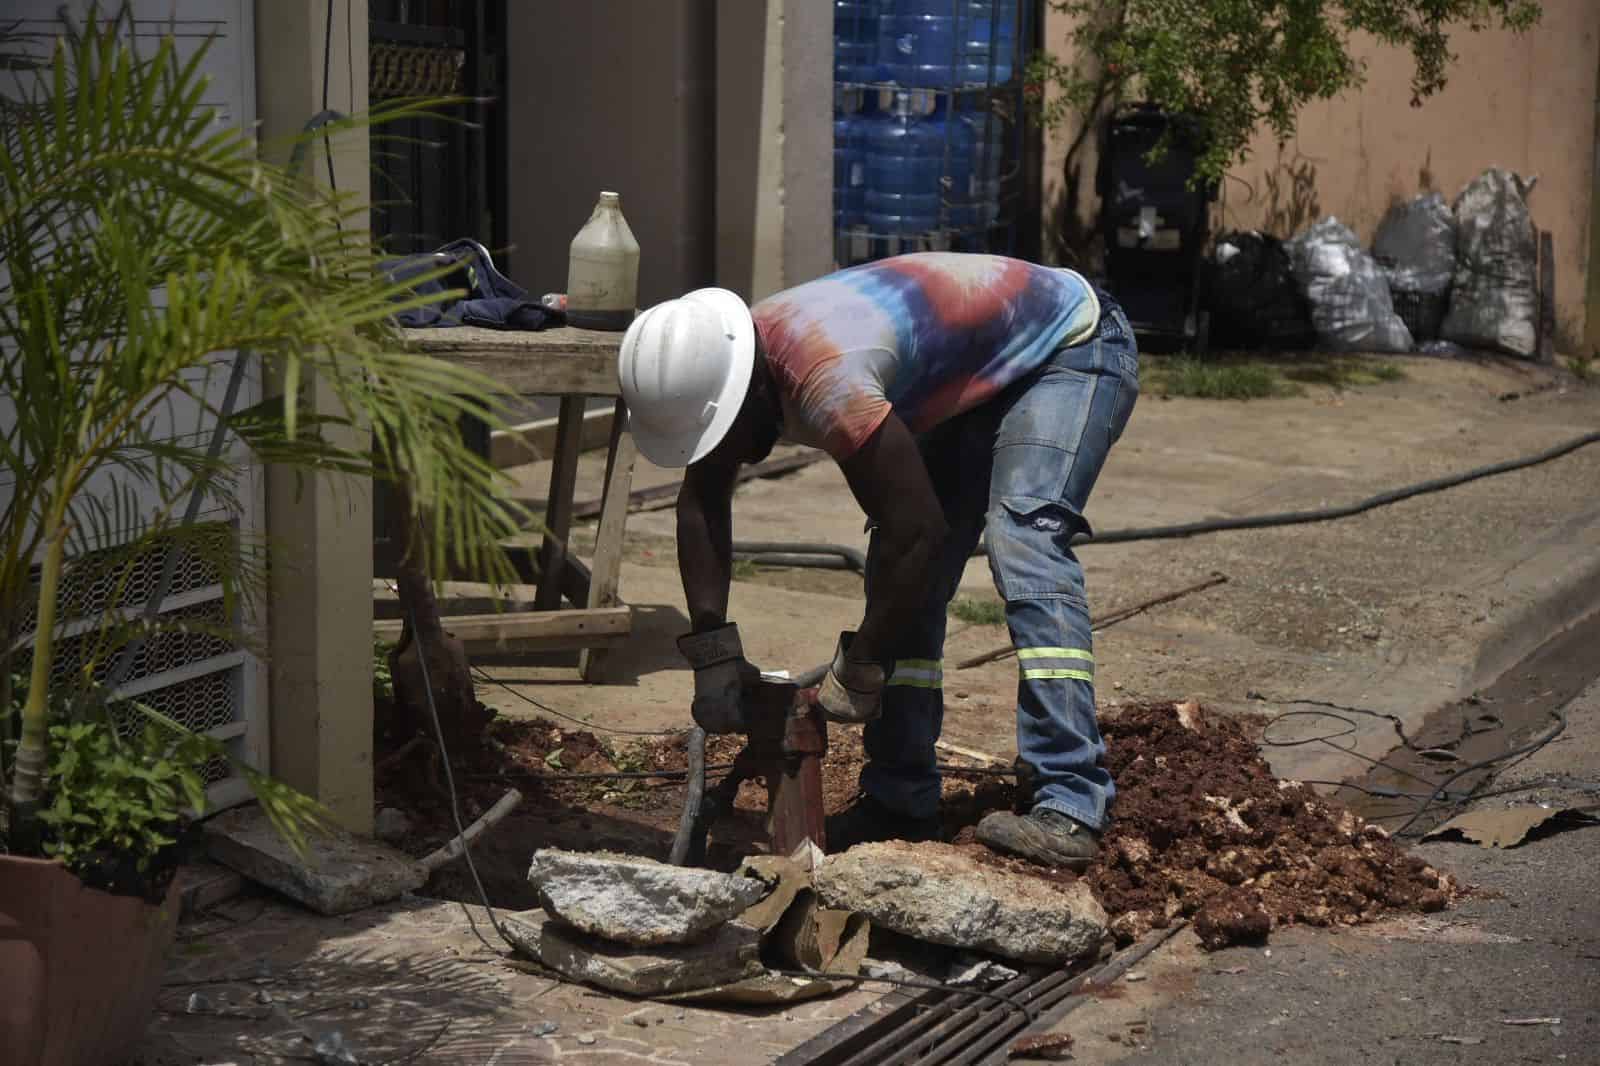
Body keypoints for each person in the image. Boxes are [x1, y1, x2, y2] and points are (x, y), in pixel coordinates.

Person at [617, 252, 1138, 869]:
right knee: (906, 576)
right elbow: (702, 502)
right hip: (975, 374)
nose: (723, 453)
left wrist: (863, 663)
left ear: (744, 394)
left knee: (1022, 536)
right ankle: (900, 797)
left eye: (720, 435)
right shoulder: (725, 361)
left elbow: (914, 530)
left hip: (1071, 346)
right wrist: (711, 650)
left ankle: (1071, 799)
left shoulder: (825, 379)